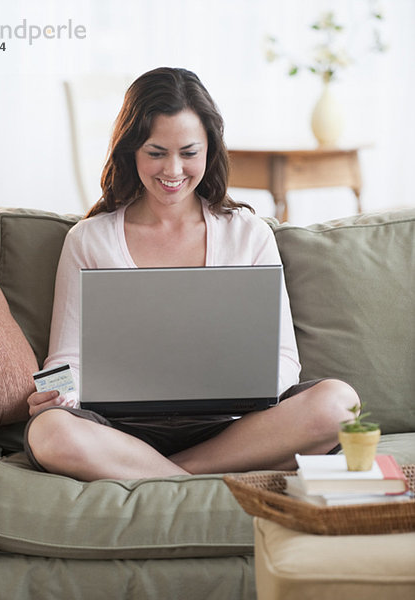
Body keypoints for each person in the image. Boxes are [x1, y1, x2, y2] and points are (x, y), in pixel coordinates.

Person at [25, 67, 360, 481]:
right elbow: (64, 358)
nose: (173, 170)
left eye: (188, 152)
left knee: (339, 403)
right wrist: (58, 394)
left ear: (210, 151)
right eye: (156, 152)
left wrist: (240, 384)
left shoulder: (248, 234)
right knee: (50, 433)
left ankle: (168, 475)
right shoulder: (89, 239)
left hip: (234, 427)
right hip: (121, 431)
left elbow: (285, 359)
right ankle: (188, 476)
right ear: (131, 150)